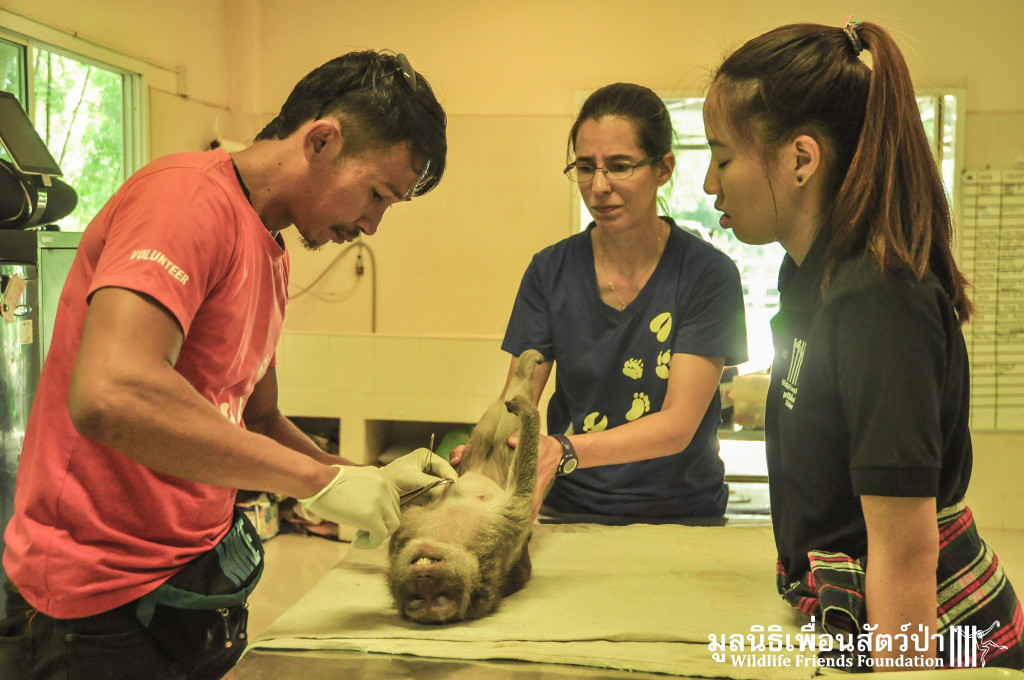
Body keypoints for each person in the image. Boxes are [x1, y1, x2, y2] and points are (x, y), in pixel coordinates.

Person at [0, 50, 456, 680]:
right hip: (95, 609)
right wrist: (317, 486)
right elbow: (110, 392)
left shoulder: (270, 246)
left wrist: (365, 477)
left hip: (190, 586)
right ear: (322, 139)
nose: (374, 223)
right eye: (377, 194)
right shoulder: (185, 200)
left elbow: (256, 419)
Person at [702, 18, 1023, 670]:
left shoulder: (878, 299)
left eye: (723, 156)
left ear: (799, 159)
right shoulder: (806, 278)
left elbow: (904, 556)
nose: (710, 185)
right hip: (850, 600)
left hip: (924, 627)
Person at [460, 83, 747, 520]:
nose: (598, 186)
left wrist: (564, 451)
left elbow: (678, 425)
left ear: (663, 168)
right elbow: (517, 400)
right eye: (585, 167)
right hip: (568, 508)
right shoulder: (549, 271)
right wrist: (488, 451)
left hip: (683, 514)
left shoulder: (707, 274)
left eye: (618, 166)